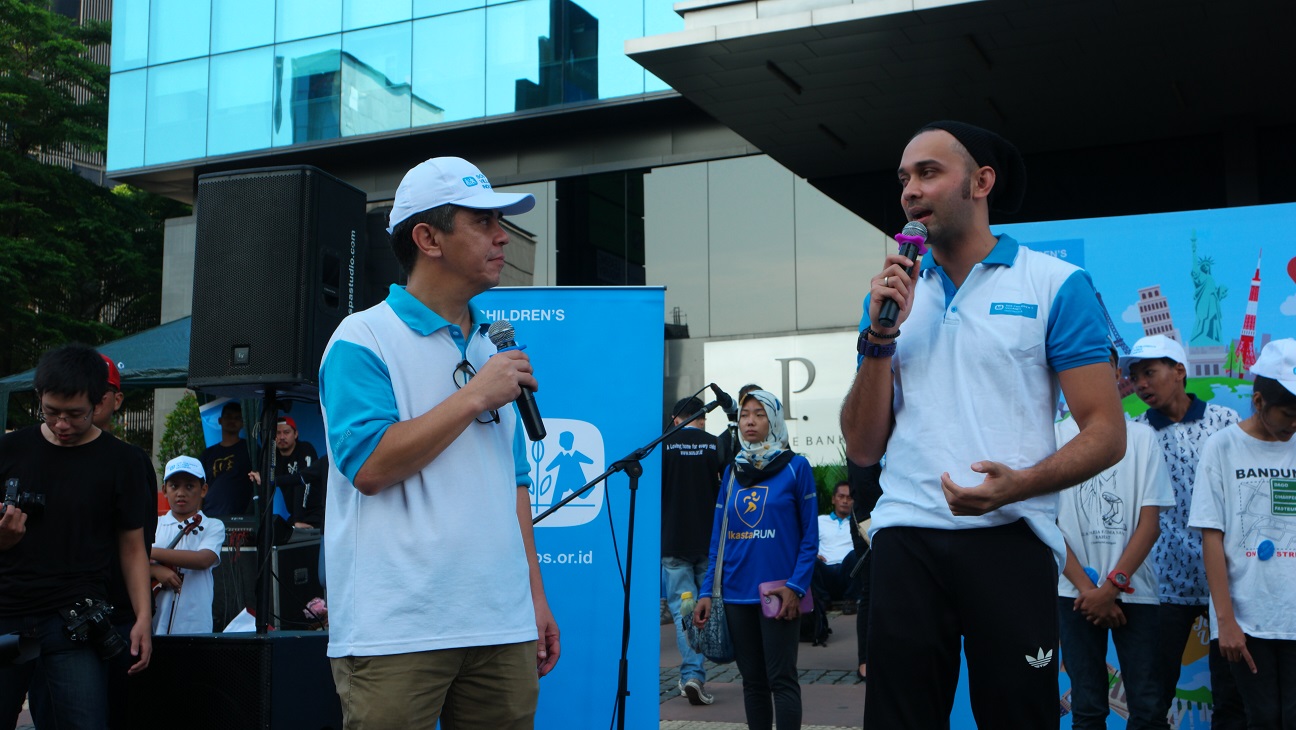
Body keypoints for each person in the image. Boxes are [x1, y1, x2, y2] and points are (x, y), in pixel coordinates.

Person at [840, 120, 1126, 729]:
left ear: (981, 182)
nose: (909, 191)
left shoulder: (1054, 283)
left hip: (1011, 537)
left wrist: (1018, 485)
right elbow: (863, 448)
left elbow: (1107, 431)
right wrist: (880, 336)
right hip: (906, 537)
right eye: (903, 179)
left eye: (928, 172)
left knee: (1019, 717)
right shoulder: (890, 296)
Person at [318, 156, 559, 728]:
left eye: (499, 220)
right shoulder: (363, 338)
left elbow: (515, 486)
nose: (502, 236)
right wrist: (474, 396)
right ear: (427, 237)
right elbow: (370, 466)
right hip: (398, 629)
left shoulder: (491, 346)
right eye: (482, 222)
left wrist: (534, 598)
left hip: (501, 623)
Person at [0, 344, 153, 730]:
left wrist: (142, 618)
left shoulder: (124, 461)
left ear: (100, 401)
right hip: (7, 610)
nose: (62, 424)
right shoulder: (10, 450)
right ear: (39, 398)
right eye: (51, 413)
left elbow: (133, 548)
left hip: (76, 620)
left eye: (75, 415)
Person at [1121, 334, 1245, 727]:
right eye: (1135, 376)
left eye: (1149, 373)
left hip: (1225, 585)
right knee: (1152, 698)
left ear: (1179, 372)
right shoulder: (1136, 433)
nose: (1140, 384)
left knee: (1231, 696)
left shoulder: (1224, 423)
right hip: (1162, 588)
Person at [1055, 346, 1174, 730]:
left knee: (1148, 707)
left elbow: (1150, 522)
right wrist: (1090, 590)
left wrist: (1113, 585)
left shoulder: (1141, 438)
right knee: (1087, 709)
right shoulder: (1051, 437)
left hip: (1135, 590)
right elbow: (1046, 523)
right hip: (1073, 595)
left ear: (1113, 369)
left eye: (1099, 362)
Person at [694, 390, 818, 730]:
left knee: (782, 679)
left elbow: (810, 537)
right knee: (753, 682)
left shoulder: (797, 467)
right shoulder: (733, 472)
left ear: (774, 420)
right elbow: (718, 536)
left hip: (779, 592)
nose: (749, 420)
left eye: (759, 414)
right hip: (735, 594)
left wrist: (796, 586)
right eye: (745, 414)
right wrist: (707, 592)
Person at [1189, 338, 1296, 730]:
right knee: (1262, 718)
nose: (1295, 423)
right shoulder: (1222, 447)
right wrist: (1225, 622)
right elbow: (1211, 536)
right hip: (1248, 618)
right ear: (1258, 402)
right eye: (1288, 413)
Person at [660, 396, 721, 706]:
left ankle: (691, 675)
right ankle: (695, 674)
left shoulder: (662, 446)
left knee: (684, 611)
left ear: (674, 418)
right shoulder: (715, 445)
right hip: (708, 545)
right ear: (702, 418)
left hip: (672, 545)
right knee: (705, 611)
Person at [150, 456, 226, 635]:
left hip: (195, 622)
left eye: (190, 486)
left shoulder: (212, 525)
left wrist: (149, 552)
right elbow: (133, 563)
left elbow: (203, 560)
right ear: (164, 490)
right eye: (174, 486)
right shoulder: (153, 524)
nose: (181, 493)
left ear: (203, 490)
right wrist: (154, 571)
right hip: (154, 620)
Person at [249, 416, 324, 529]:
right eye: (278, 433)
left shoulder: (305, 448)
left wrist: (298, 520)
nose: (282, 437)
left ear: (296, 434)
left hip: (316, 516)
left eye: (286, 432)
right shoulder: (273, 457)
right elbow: (263, 486)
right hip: (294, 517)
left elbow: (304, 482)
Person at [812, 481, 864, 613]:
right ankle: (823, 600)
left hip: (848, 571)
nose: (845, 501)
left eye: (849, 497)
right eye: (841, 496)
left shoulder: (859, 523)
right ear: (833, 499)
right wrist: (814, 554)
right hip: (825, 570)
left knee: (857, 554)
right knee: (809, 559)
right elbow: (806, 543)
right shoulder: (819, 521)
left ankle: (850, 600)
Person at [200, 401, 255, 518]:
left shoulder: (251, 450)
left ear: (242, 423)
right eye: (228, 417)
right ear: (220, 421)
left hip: (241, 517)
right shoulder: (207, 454)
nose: (232, 421)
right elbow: (199, 486)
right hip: (209, 515)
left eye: (237, 418)